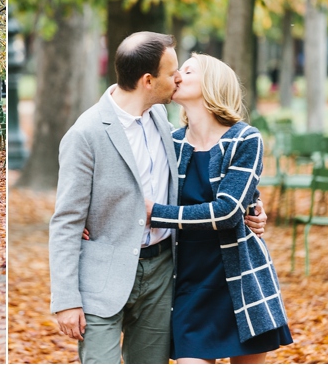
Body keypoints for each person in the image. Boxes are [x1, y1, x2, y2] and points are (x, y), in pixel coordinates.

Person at [49, 32, 267, 364]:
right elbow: (65, 222)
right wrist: (65, 300)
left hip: (164, 273)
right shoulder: (86, 133)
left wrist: (253, 205)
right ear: (149, 80)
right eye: (173, 72)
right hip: (103, 276)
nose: (178, 77)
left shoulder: (163, 124)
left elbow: (214, 171)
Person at [146, 53, 292, 363]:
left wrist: (155, 212)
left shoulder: (245, 139)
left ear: (211, 83)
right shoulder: (170, 143)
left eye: (187, 70)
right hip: (188, 281)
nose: (176, 75)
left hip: (240, 278)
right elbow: (136, 187)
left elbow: (227, 211)